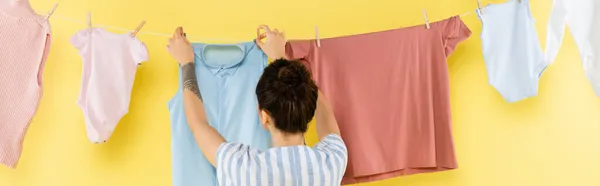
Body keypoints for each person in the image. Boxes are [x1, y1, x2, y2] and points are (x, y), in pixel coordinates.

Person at [166, 25, 348, 186]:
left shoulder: (241, 167)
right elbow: (322, 105)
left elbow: (198, 124)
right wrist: (280, 57)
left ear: (264, 116)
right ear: (309, 110)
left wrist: (186, 64)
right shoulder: (333, 160)